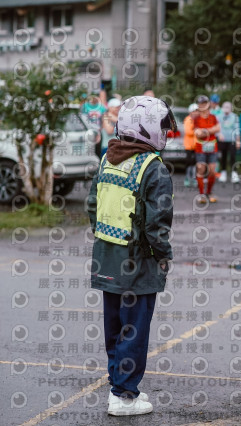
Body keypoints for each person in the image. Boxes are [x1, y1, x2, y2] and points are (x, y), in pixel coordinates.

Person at [87, 95, 175, 416]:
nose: (166, 134)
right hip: (138, 264)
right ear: (148, 129)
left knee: (115, 327)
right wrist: (164, 257)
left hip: (106, 258)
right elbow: (157, 226)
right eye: (163, 128)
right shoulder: (154, 169)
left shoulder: (108, 159)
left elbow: (92, 207)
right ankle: (124, 395)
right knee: (134, 329)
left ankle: (118, 386)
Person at [193, 95, 221, 204]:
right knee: (201, 169)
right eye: (201, 103)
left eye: (204, 103)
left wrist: (205, 131)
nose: (203, 105)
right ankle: (201, 194)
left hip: (212, 147)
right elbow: (197, 134)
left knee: (212, 171)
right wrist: (211, 130)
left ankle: (209, 192)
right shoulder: (196, 118)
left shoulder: (213, 117)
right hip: (200, 148)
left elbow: (218, 128)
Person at [215, 101, 241, 183]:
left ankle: (234, 173)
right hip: (222, 140)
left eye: (228, 107)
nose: (226, 109)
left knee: (233, 157)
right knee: (223, 156)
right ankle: (223, 172)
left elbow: (237, 129)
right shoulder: (218, 116)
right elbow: (216, 127)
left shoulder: (235, 117)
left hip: (232, 140)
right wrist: (219, 134)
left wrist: (238, 141)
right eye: (225, 107)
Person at [81, 92, 107, 157]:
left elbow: (104, 119)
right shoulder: (85, 106)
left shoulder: (101, 107)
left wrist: (100, 131)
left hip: (98, 131)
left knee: (98, 149)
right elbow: (82, 118)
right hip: (88, 130)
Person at [183, 103, 198, 187]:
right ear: (191, 112)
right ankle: (187, 178)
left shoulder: (199, 119)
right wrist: (196, 130)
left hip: (196, 145)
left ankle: (194, 178)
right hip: (188, 146)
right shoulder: (187, 119)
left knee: (195, 162)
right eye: (194, 111)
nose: (195, 113)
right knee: (188, 162)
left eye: (197, 111)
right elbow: (188, 132)